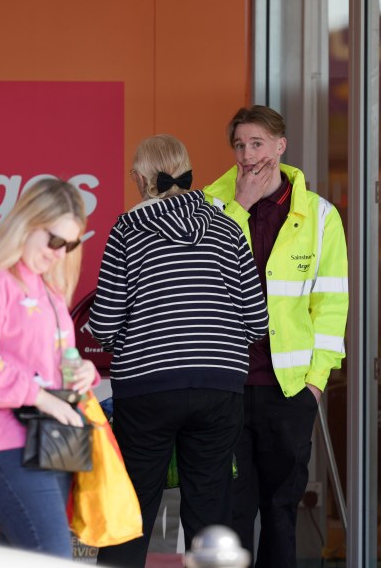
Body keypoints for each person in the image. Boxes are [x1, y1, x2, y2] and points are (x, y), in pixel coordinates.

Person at [90, 134, 269, 568]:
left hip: (148, 387)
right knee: (210, 510)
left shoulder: (127, 230)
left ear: (139, 178)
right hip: (220, 385)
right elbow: (259, 320)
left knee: (132, 509)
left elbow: (105, 323)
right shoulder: (226, 226)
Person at [203, 105, 349, 566]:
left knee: (281, 509)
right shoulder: (210, 205)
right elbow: (201, 284)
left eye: (257, 144)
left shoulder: (321, 216)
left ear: (281, 146)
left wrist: (315, 382)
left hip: (289, 389)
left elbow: (330, 304)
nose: (247, 155)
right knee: (233, 510)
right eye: (240, 145)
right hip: (226, 385)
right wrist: (239, 208)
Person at [0, 178, 99, 558]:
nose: (60, 253)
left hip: (47, 444)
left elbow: (55, 360)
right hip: (0, 445)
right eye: (54, 240)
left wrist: (83, 371)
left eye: (70, 244)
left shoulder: (47, 286)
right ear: (28, 222)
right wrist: (43, 399)